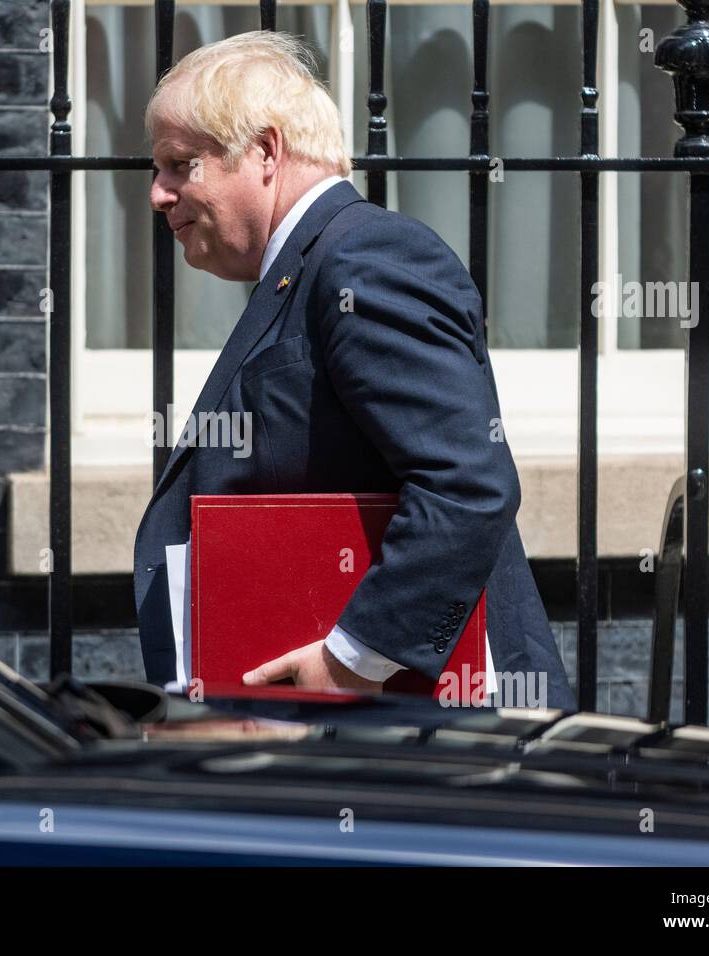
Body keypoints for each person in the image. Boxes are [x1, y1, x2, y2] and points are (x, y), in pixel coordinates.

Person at [134, 31, 575, 708]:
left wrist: (352, 660)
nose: (159, 194)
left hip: (417, 743)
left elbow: (467, 484)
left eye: (179, 164)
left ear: (265, 151)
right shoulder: (312, 268)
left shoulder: (365, 259)